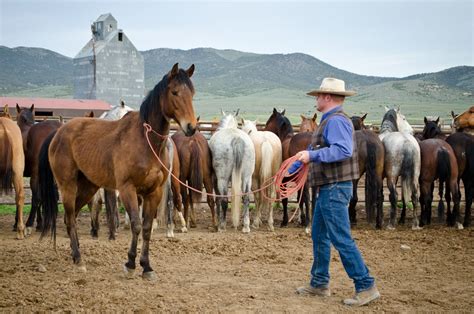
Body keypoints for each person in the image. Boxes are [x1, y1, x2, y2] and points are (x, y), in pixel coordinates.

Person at [291, 77, 380, 306]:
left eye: (318, 96)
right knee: (320, 235)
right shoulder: (328, 120)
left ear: (327, 97)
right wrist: (291, 169)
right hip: (329, 187)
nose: (316, 100)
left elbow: (342, 150)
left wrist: (312, 156)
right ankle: (319, 282)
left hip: (335, 188)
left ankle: (365, 285)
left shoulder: (337, 121)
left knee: (341, 238)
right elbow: (314, 151)